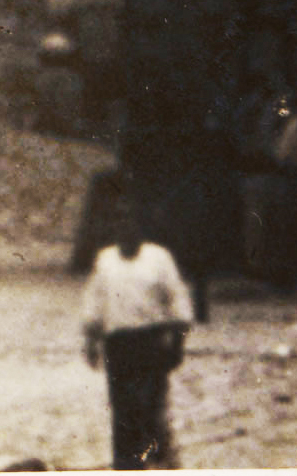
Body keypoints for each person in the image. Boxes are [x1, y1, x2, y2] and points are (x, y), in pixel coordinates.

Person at [80, 187, 196, 470]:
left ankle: (157, 459)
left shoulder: (158, 259)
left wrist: (177, 345)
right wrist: (92, 342)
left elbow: (178, 302)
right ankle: (126, 463)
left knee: (150, 405)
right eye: (118, 221)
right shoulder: (106, 260)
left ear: (140, 226)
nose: (124, 227)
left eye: (130, 221)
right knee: (121, 407)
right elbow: (95, 301)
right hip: (118, 344)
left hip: (150, 341)